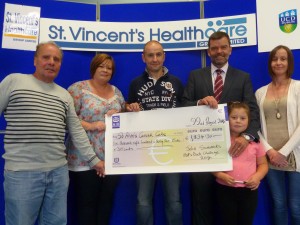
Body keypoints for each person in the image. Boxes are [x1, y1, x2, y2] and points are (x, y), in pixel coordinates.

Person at [0, 41, 104, 225]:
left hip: (58, 173)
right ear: (35, 60)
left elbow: (77, 131)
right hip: (22, 174)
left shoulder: (64, 95)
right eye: (46, 57)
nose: (51, 62)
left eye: (56, 59)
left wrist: (94, 161)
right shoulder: (14, 81)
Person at [182, 31, 260, 225]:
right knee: (201, 204)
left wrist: (247, 137)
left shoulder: (243, 78)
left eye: (223, 47)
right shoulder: (195, 76)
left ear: (230, 50)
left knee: (229, 210)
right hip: (202, 153)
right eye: (214, 48)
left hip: (234, 154)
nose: (219, 51)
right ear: (208, 51)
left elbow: (254, 112)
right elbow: (182, 106)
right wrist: (199, 102)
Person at [126, 40, 184, 225]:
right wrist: (130, 108)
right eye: (150, 55)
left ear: (164, 56)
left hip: (171, 149)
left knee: (174, 200)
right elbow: (129, 114)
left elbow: (185, 113)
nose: (155, 58)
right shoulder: (135, 84)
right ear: (143, 57)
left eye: (158, 54)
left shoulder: (176, 82)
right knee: (143, 201)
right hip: (144, 149)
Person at [66, 53, 125, 225]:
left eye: (109, 67)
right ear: (94, 67)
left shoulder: (117, 92)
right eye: (102, 66)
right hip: (84, 159)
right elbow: (66, 119)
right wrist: (93, 126)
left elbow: (123, 119)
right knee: (86, 207)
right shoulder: (78, 89)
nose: (106, 70)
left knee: (106, 204)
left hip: (111, 160)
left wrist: (120, 114)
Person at [255, 45, 300, 225]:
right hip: (271, 158)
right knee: (278, 204)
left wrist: (284, 151)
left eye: (283, 59)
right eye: (275, 59)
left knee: (296, 206)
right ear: (270, 63)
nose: (278, 62)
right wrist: (271, 151)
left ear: (289, 62)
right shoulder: (260, 92)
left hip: (295, 155)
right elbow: (256, 126)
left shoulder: (298, 88)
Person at [213, 101, 268, 225]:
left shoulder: (255, 143)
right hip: (224, 189)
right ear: (227, 119)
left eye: (243, 118)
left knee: (246, 221)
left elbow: (263, 164)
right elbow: (211, 163)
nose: (238, 121)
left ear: (249, 121)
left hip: (249, 190)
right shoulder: (219, 139)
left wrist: (257, 177)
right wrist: (220, 175)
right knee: (227, 221)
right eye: (234, 117)